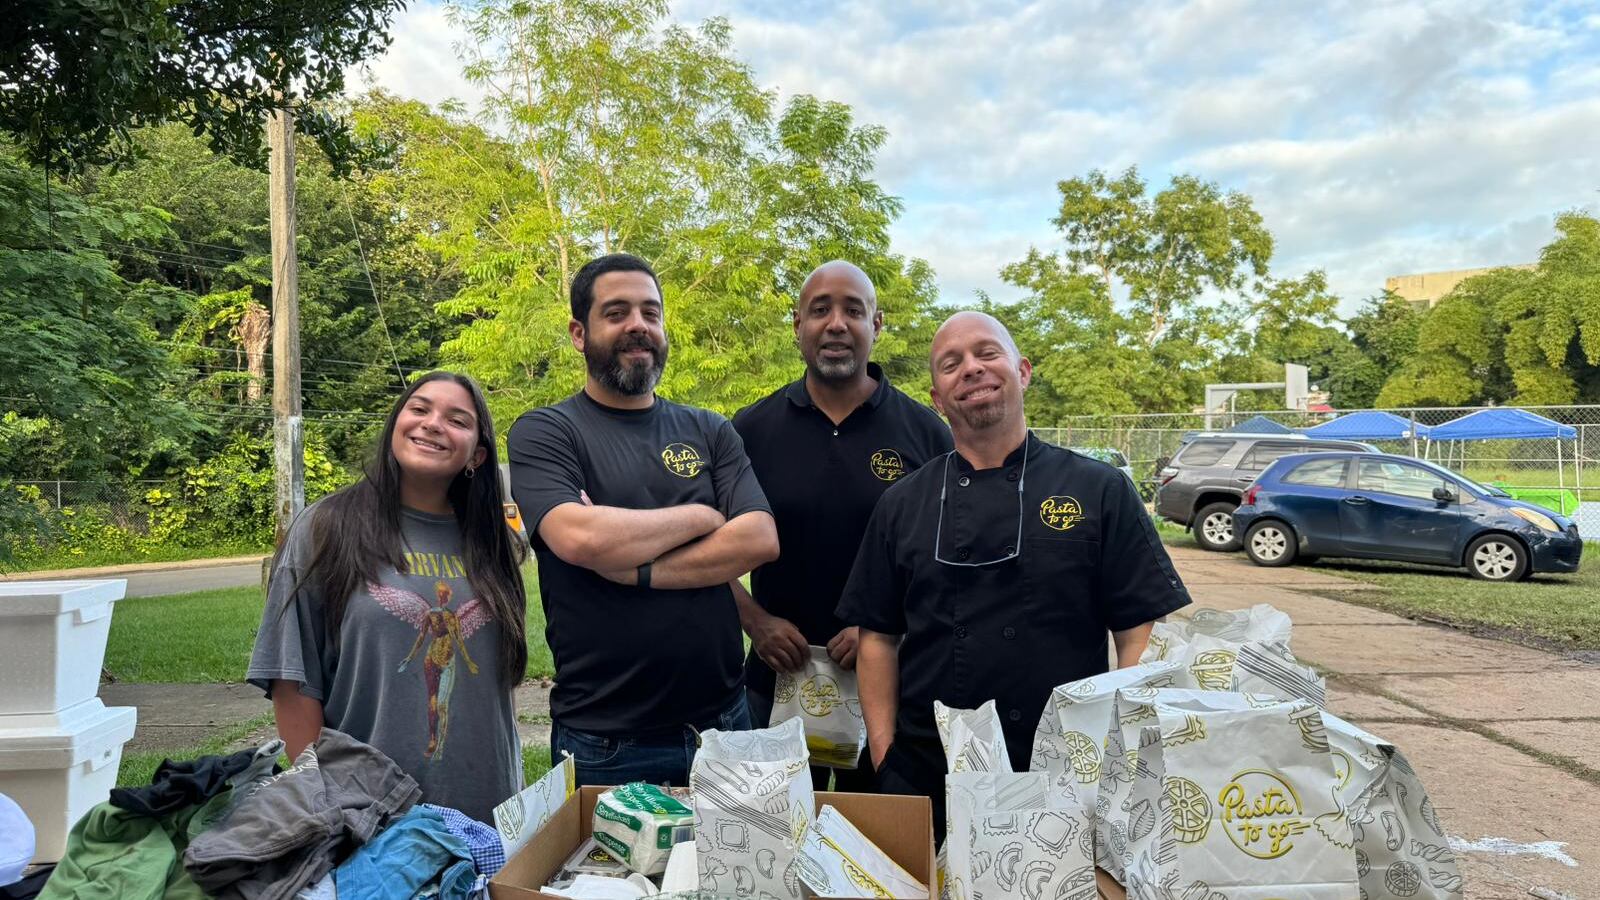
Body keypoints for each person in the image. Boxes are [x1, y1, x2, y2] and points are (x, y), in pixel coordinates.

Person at [837, 311, 1191, 828]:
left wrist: (1119, 751)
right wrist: (885, 757)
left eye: (987, 353)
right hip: (926, 774)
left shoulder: (1100, 489)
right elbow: (877, 639)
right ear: (937, 399)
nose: (972, 369)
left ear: (1022, 371)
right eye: (951, 363)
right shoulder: (900, 503)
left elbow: (1138, 632)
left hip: (1065, 773)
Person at [507, 253, 779, 787]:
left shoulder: (709, 429)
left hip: (724, 725)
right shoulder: (547, 432)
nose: (638, 325)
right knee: (603, 876)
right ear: (578, 333)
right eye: (617, 313)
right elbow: (580, 537)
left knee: (736, 872)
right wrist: (704, 515)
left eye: (651, 313)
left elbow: (758, 538)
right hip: (607, 741)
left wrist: (637, 569)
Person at [248, 371, 529, 823]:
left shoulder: (492, 540)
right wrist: (328, 805)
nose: (433, 423)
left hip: (488, 812)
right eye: (419, 409)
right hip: (369, 812)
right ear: (395, 424)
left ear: (477, 454)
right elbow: (291, 680)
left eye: (457, 419)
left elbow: (499, 682)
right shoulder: (326, 527)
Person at [731, 261, 951, 789]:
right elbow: (706, 553)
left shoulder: (926, 434)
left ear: (876, 326)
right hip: (774, 677)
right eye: (820, 309)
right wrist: (755, 621)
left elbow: (950, 561)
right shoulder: (749, 430)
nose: (836, 323)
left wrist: (880, 626)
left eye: (854, 310)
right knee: (768, 842)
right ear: (797, 325)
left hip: (888, 687)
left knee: (873, 852)